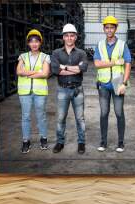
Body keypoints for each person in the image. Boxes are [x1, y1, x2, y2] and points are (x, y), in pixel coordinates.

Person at [93, 16, 131, 153]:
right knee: (104, 113)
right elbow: (97, 64)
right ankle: (103, 142)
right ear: (104, 29)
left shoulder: (122, 45)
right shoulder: (100, 45)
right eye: (107, 27)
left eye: (112, 27)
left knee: (119, 113)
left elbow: (127, 64)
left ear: (116, 29)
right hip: (103, 84)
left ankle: (120, 143)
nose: (109, 30)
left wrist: (124, 83)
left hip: (117, 83)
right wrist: (115, 62)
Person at [51, 24, 88, 154]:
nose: (69, 38)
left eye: (72, 35)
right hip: (63, 89)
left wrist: (64, 67)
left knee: (80, 118)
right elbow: (56, 70)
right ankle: (60, 142)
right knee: (61, 118)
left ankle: (81, 143)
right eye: (67, 35)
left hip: (78, 90)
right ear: (63, 37)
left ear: (76, 37)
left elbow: (82, 69)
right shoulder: (56, 53)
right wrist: (74, 69)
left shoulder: (81, 53)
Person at [16, 29, 51, 153]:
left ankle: (43, 139)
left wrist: (27, 74)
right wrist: (37, 72)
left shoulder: (45, 57)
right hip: (25, 92)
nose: (34, 44)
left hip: (40, 93)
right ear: (28, 43)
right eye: (31, 41)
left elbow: (45, 74)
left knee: (41, 116)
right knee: (25, 117)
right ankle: (26, 141)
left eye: (36, 41)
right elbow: (19, 71)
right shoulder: (23, 56)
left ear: (40, 42)